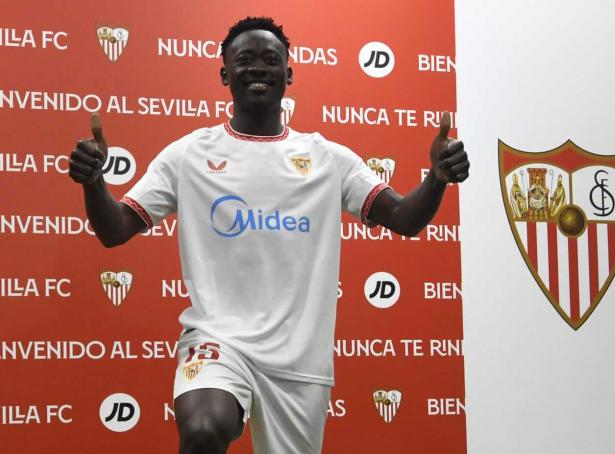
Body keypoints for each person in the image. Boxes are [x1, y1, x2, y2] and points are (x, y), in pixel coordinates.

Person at [68, 16, 469, 454]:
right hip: (217, 341)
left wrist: (437, 179)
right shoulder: (188, 155)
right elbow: (115, 229)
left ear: (289, 73)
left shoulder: (328, 159)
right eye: (244, 59)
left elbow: (405, 219)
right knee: (202, 429)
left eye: (270, 59)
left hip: (299, 364)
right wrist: (93, 182)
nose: (257, 67)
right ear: (224, 73)